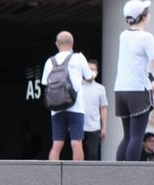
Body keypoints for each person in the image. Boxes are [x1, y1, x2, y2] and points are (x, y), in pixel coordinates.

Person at [113, 0, 154, 161]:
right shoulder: (146, 37)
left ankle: (117, 170)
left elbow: (136, 64)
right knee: (137, 136)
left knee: (127, 136)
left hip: (121, 90)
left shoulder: (123, 35)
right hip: (137, 91)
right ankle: (131, 172)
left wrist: (151, 78)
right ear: (144, 16)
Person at [42, 32, 90, 162]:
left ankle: (53, 173)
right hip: (76, 106)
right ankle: (77, 173)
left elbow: (45, 83)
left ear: (56, 44)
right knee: (76, 142)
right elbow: (89, 76)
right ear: (72, 43)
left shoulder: (50, 61)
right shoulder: (78, 58)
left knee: (57, 144)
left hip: (56, 108)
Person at [77, 43, 108, 164]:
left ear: (97, 71)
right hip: (78, 125)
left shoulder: (100, 88)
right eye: (88, 69)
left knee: (93, 156)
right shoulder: (77, 85)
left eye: (93, 69)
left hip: (94, 127)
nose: (91, 71)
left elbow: (103, 108)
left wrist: (104, 127)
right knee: (78, 156)